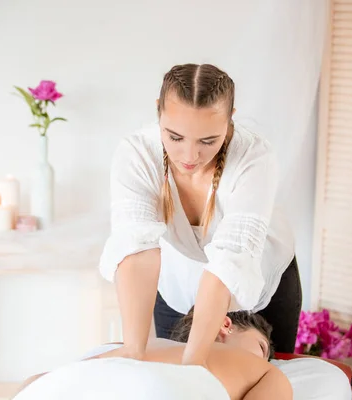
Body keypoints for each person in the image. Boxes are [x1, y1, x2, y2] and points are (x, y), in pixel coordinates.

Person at [98, 63, 301, 366]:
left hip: (254, 277)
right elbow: (135, 247)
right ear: (158, 112)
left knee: (260, 378)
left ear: (230, 119)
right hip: (178, 278)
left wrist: (193, 363)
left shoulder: (254, 158)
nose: (190, 157)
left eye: (208, 141)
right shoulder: (137, 153)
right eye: (175, 137)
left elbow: (231, 261)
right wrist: (133, 350)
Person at [12, 310, 352, 400]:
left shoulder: (130, 346)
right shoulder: (263, 373)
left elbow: (33, 384)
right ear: (225, 325)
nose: (267, 359)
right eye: (263, 349)